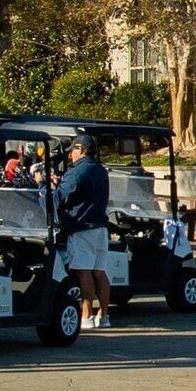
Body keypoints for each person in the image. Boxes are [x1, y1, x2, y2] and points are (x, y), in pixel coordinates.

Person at [58, 137, 114, 329]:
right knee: (100, 271)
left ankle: (86, 315)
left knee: (84, 272)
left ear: (81, 149)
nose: (69, 154)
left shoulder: (78, 171)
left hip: (82, 227)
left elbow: (59, 198)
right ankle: (104, 315)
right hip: (100, 227)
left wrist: (42, 184)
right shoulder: (100, 170)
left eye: (72, 150)